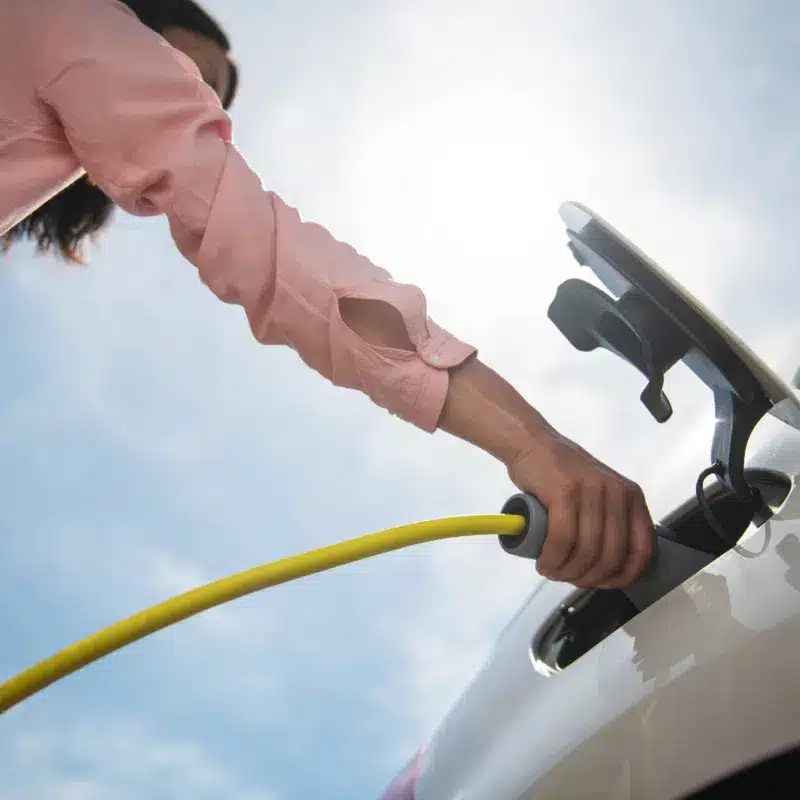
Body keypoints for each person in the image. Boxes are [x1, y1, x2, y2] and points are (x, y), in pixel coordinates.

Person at [0, 0, 655, 589]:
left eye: (207, 98)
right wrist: (533, 444)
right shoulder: (80, 22)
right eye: (185, 73)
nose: (186, 99)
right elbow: (277, 263)